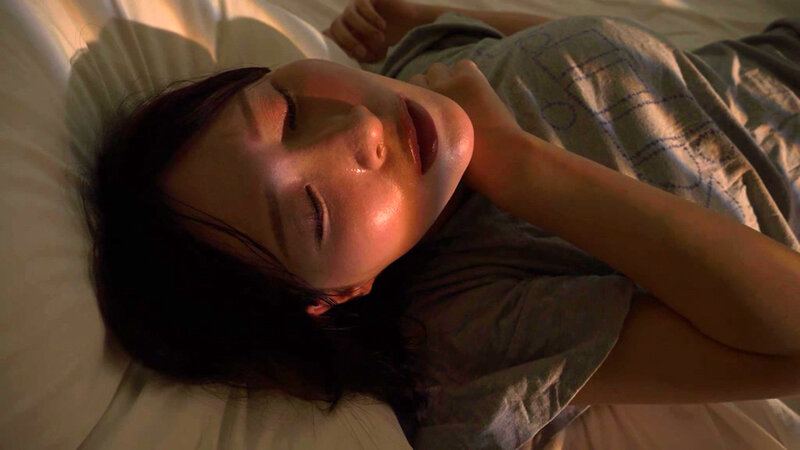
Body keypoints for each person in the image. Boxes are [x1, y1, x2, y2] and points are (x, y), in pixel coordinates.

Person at [80, 0, 800, 448]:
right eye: (314, 210)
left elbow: (601, 61)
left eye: (286, 111)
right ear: (329, 297)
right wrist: (520, 167)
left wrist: (423, 18)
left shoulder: (424, 76)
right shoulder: (465, 326)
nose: (358, 129)